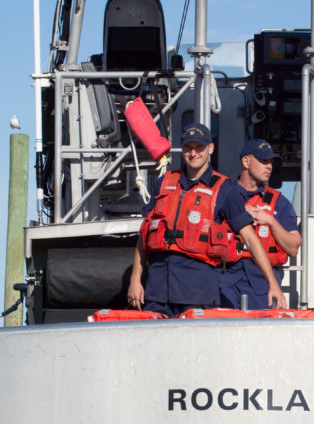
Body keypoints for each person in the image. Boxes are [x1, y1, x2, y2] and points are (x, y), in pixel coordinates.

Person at [127, 123, 285, 316]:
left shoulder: (225, 190)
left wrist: (273, 284)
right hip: (157, 291)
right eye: (188, 147)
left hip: (198, 292)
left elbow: (251, 239)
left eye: (199, 147)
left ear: (210, 149)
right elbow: (145, 235)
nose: (193, 153)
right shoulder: (165, 182)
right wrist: (135, 280)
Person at [220, 139, 302, 309]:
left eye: (271, 162)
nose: (269, 166)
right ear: (246, 161)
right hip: (224, 278)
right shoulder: (223, 195)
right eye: (263, 161)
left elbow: (293, 247)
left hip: (262, 282)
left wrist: (270, 221)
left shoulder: (279, 203)